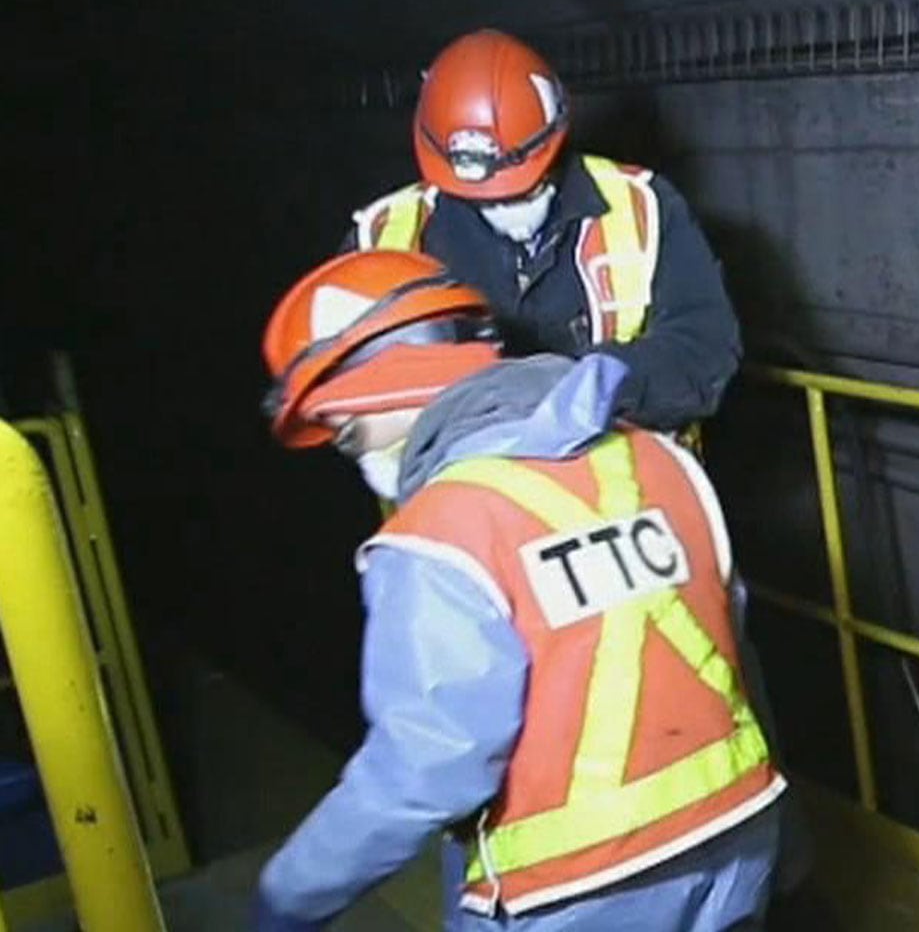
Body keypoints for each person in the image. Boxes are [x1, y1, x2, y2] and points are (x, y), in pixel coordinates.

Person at [252, 250, 785, 931]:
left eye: (345, 433)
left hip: (577, 889)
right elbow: (730, 642)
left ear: (379, 390)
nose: (348, 453)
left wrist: (288, 896)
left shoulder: (438, 536)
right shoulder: (659, 460)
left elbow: (427, 768)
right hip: (736, 838)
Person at [345, 28, 739, 436]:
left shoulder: (644, 208)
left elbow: (705, 349)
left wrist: (587, 384)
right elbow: (341, 378)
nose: (504, 207)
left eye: (522, 190)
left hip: (628, 486)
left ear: (553, 140)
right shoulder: (386, 236)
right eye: (482, 200)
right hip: (462, 490)